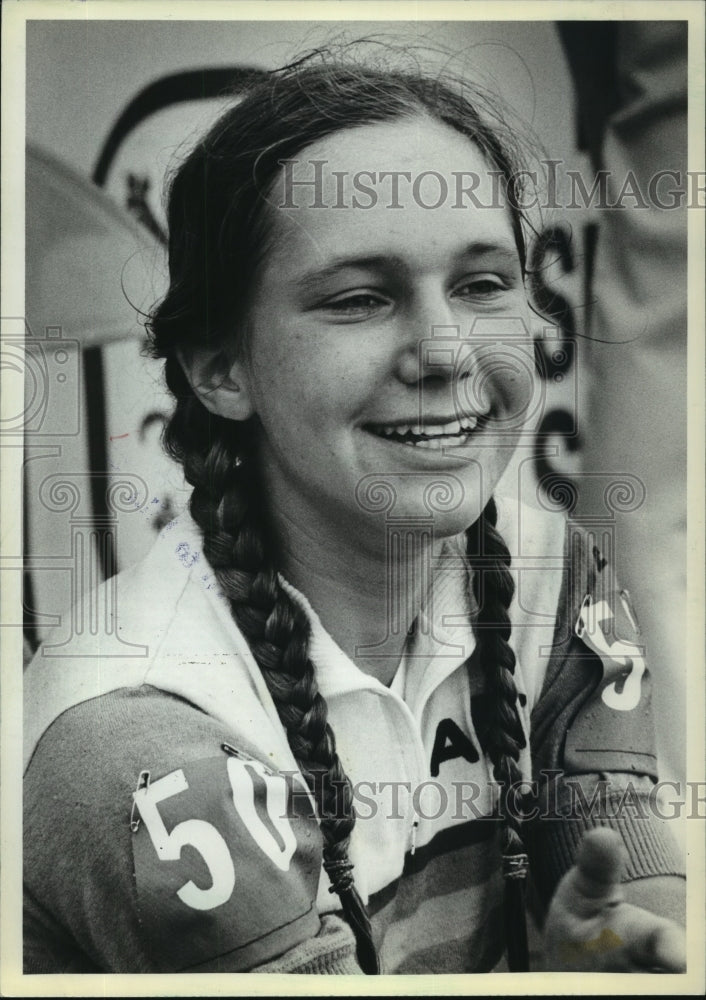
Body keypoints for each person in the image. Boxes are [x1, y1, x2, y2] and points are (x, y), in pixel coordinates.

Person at [23, 50, 686, 976]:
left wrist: (631, 942)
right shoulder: (135, 748)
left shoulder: (556, 571)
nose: (446, 350)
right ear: (220, 369)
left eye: (483, 283)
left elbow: (615, 842)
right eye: (361, 298)